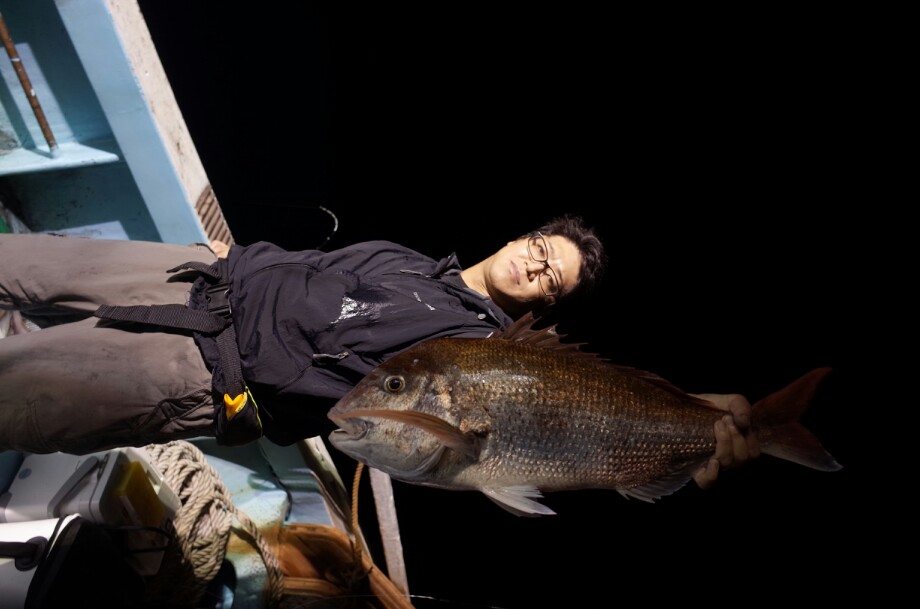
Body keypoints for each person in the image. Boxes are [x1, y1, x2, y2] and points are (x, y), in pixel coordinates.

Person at [0, 215, 756, 487]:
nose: (533, 265)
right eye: (539, 247)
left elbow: (567, 397)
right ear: (523, 235)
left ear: (543, 304)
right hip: (198, 272)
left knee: (14, 389)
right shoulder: (413, 263)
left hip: (201, 369)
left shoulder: (478, 352)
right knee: (19, 260)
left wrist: (696, 411)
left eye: (549, 277)